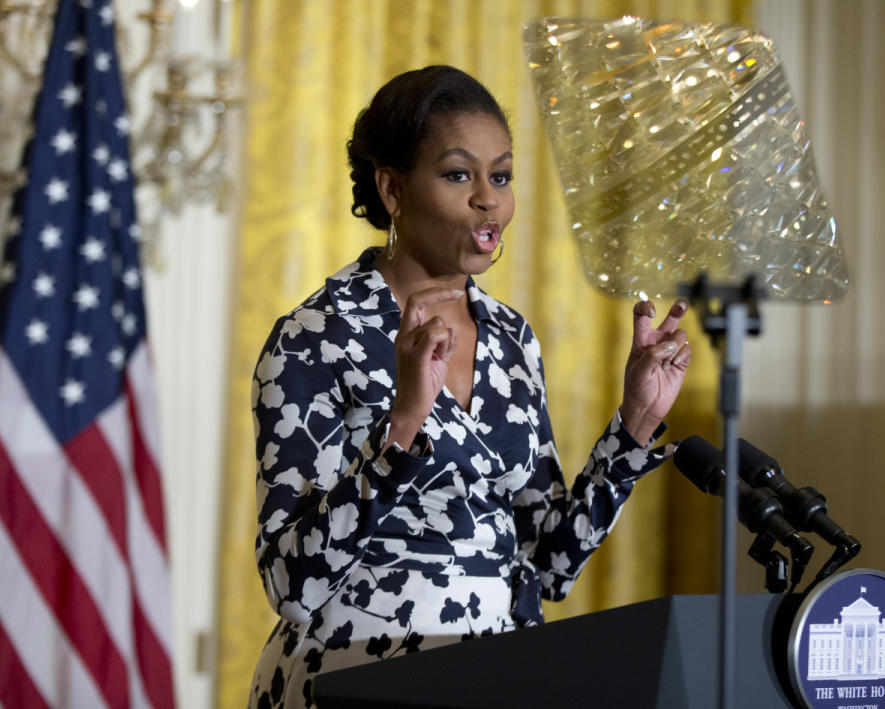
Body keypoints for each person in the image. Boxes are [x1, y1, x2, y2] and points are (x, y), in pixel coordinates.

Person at [248, 65, 691, 708]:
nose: (490, 199)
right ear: (393, 190)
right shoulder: (315, 337)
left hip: (496, 678)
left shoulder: (513, 339)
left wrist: (635, 424)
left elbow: (549, 562)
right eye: (459, 175)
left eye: (502, 176)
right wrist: (401, 426)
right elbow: (293, 583)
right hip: (352, 682)